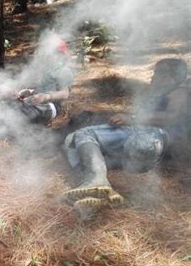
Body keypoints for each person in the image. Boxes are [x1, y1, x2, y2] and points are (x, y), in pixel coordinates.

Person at [63, 58, 189, 215]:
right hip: (139, 144)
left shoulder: (179, 92)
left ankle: (96, 180)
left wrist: (133, 119)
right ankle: (93, 189)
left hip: (152, 137)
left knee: (84, 133)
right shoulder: (157, 93)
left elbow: (171, 117)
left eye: (158, 73)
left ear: (173, 77)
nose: (153, 77)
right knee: (72, 140)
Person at [14, 39, 74, 125]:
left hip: (52, 106)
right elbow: (42, 88)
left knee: (23, 114)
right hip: (37, 101)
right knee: (12, 107)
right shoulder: (47, 69)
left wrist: (46, 97)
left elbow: (65, 94)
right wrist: (29, 92)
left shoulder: (64, 71)